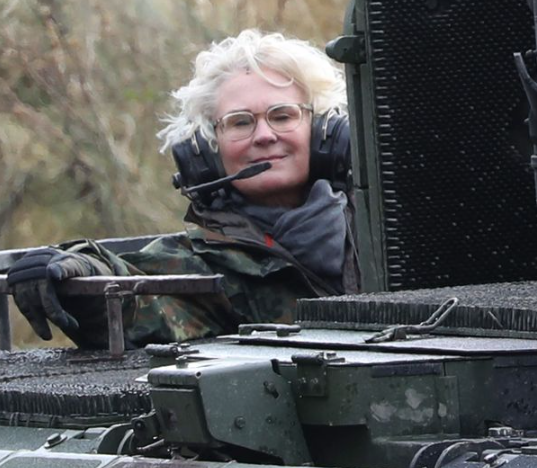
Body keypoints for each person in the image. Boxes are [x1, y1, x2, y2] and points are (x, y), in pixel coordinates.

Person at [7, 29, 357, 347]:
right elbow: (135, 296)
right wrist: (79, 269)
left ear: (324, 131)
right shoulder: (202, 264)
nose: (264, 136)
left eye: (282, 116)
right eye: (240, 122)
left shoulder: (379, 227)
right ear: (205, 151)